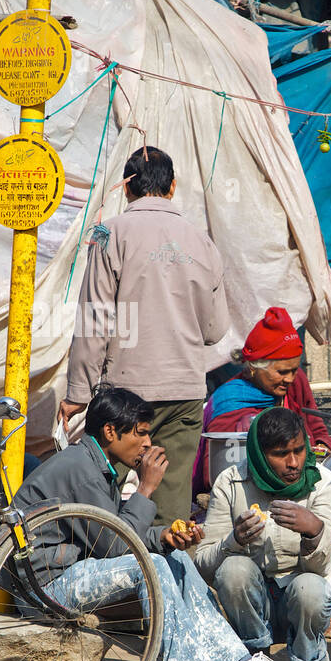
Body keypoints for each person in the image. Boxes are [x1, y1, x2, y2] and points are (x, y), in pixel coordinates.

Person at [20, 386, 306, 661]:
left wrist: (166, 537)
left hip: (74, 569)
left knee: (176, 557)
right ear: (110, 431)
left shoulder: (96, 462)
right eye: (140, 434)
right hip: (45, 587)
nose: (147, 443)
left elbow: (116, 529)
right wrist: (146, 488)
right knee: (152, 566)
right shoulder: (79, 468)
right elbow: (116, 546)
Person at [57, 146, 229, 529]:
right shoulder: (201, 241)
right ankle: (163, 585)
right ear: (171, 188)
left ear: (127, 188)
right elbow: (215, 330)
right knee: (169, 516)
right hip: (185, 391)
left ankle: (104, 583)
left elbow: (95, 320)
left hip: (125, 396)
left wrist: (78, 394)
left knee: (96, 503)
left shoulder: (110, 233)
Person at [195, 407, 331, 661]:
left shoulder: (322, 482)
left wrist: (314, 531)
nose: (294, 462)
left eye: (299, 450)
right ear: (260, 455)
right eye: (280, 454)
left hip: (299, 600)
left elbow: (322, 572)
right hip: (254, 603)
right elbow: (203, 563)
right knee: (234, 569)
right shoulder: (231, 482)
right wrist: (233, 540)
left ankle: (308, 659)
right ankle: (254, 655)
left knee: (311, 587)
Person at [193, 306, 331, 494]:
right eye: (282, 372)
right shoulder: (230, 401)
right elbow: (219, 468)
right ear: (254, 368)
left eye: (294, 369)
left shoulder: (296, 381)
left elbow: (314, 421)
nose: (290, 378)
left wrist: (322, 444)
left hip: (302, 476)